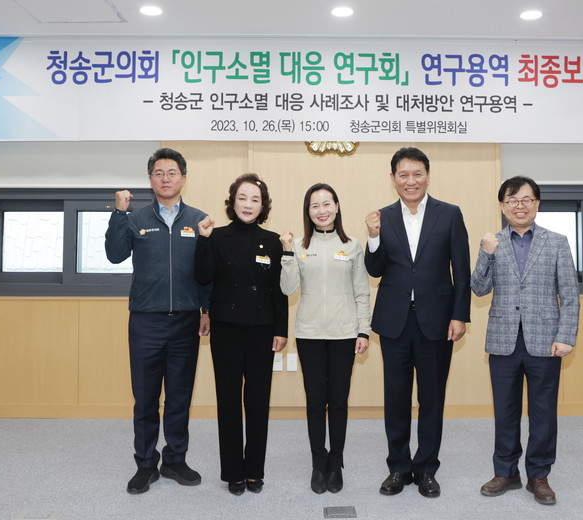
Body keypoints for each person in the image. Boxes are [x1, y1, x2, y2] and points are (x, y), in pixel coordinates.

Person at [364, 147, 471, 498]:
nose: (411, 181)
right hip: (395, 321)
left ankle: (426, 469)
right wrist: (373, 237)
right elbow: (375, 270)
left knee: (432, 398)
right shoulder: (382, 217)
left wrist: (460, 314)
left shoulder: (449, 214)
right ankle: (398, 467)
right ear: (393, 178)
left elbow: (461, 269)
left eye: (417, 174)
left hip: (437, 320)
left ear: (427, 175)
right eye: (403, 175)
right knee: (395, 397)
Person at [105, 147, 211, 495]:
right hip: (145, 322)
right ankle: (146, 464)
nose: (166, 179)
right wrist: (118, 213)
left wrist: (206, 310)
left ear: (183, 178)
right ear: (150, 179)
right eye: (159, 173)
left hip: (185, 322)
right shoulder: (135, 218)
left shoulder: (199, 220)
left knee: (179, 396)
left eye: (172, 173)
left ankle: (175, 460)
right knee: (146, 398)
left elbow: (207, 272)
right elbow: (115, 254)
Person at [472, 176, 580, 506]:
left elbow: (570, 295)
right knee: (505, 411)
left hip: (546, 341)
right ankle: (505, 472)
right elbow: (479, 288)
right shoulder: (492, 242)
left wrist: (565, 336)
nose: (519, 206)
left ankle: (539, 475)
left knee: (543, 412)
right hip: (503, 339)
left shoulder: (557, 242)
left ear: (537, 203)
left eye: (526, 199)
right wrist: (486, 254)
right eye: (512, 200)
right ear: (502, 206)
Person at [193, 173, 288, 496]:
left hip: (262, 330)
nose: (248, 204)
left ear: (263, 206)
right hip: (226, 329)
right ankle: (233, 471)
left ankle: (254, 471)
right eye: (242, 198)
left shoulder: (273, 241)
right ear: (232, 202)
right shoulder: (216, 237)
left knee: (258, 402)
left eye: (255, 199)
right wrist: (203, 241)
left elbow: (279, 291)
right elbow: (202, 277)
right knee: (229, 401)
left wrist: (281, 329)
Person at [279, 183, 371, 494]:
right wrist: (287, 253)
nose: (322, 210)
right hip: (309, 335)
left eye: (327, 203)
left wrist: (363, 330)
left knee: (339, 401)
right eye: (315, 205)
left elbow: (362, 292)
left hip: (345, 334)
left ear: (337, 206)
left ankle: (336, 462)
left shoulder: (353, 245)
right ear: (308, 211)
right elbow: (288, 289)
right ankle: (318, 462)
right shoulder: (299, 245)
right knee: (316, 402)